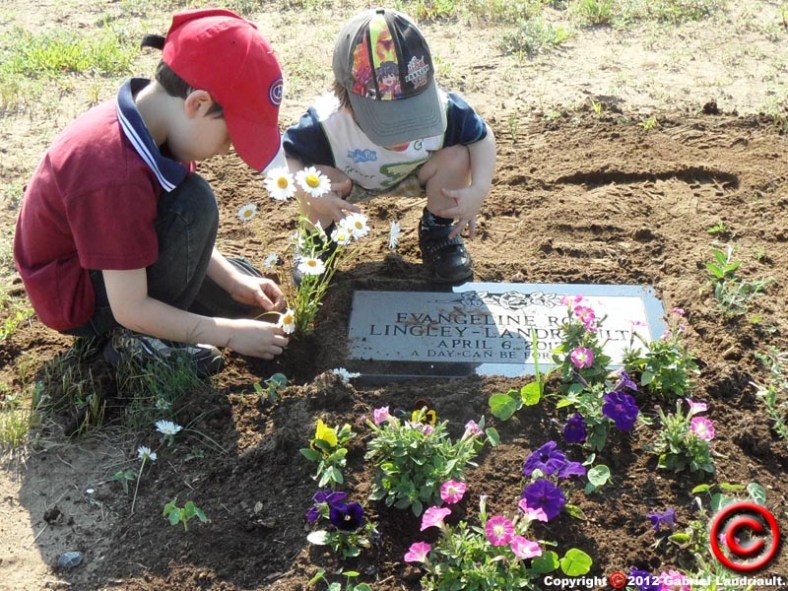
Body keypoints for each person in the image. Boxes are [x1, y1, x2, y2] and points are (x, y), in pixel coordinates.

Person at [13, 8, 290, 377]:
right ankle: (134, 344)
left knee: (196, 213)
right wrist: (227, 334)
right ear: (198, 104)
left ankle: (187, 310)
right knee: (194, 204)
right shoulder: (113, 174)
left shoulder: (156, 124)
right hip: (83, 298)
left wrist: (231, 281)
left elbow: (157, 215)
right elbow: (131, 307)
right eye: (230, 137)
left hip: (109, 262)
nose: (228, 151)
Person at [282, 7, 496, 283]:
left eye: (414, 115)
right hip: (347, 182)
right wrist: (313, 196)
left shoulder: (446, 110)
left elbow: (481, 138)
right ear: (346, 99)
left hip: (415, 172)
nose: (403, 134)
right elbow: (288, 156)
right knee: (317, 176)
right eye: (389, 120)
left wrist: (478, 189)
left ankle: (438, 233)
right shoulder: (326, 123)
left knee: (457, 156)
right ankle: (317, 241)